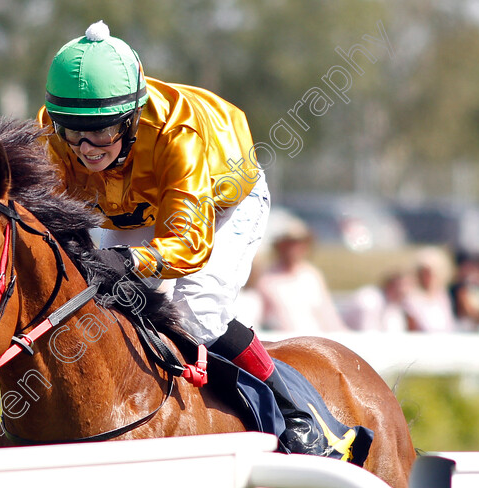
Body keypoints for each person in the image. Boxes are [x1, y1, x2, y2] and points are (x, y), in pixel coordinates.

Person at [37, 21, 324, 455]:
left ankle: (294, 413)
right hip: (134, 205)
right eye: (71, 130)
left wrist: (131, 262)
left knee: (197, 313)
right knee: (109, 307)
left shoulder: (177, 134)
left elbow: (187, 245)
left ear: (132, 119)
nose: (85, 147)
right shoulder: (56, 133)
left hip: (222, 198)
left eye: (101, 131)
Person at [256, 215, 348, 334]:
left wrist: (344, 336)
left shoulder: (311, 275)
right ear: (280, 246)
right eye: (290, 243)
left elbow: (327, 313)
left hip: (315, 341)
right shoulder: (266, 279)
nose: (295, 249)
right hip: (283, 344)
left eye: (300, 243)